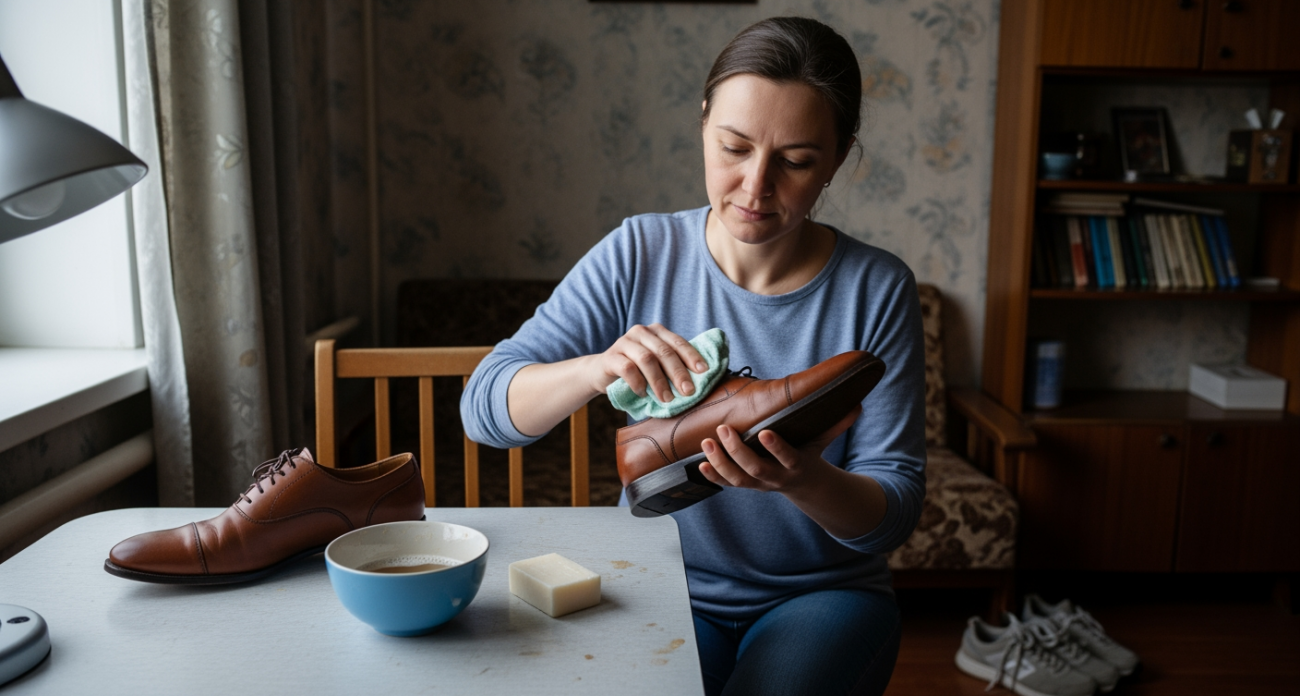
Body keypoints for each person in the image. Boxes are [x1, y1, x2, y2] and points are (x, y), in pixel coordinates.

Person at [462, 16, 926, 696]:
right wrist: (597, 368)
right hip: (656, 581)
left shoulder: (877, 288)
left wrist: (799, 479)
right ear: (703, 121)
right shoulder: (638, 252)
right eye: (733, 147)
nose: (755, 186)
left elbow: (896, 511)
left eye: (795, 161)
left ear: (838, 155)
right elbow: (483, 410)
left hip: (823, 596)